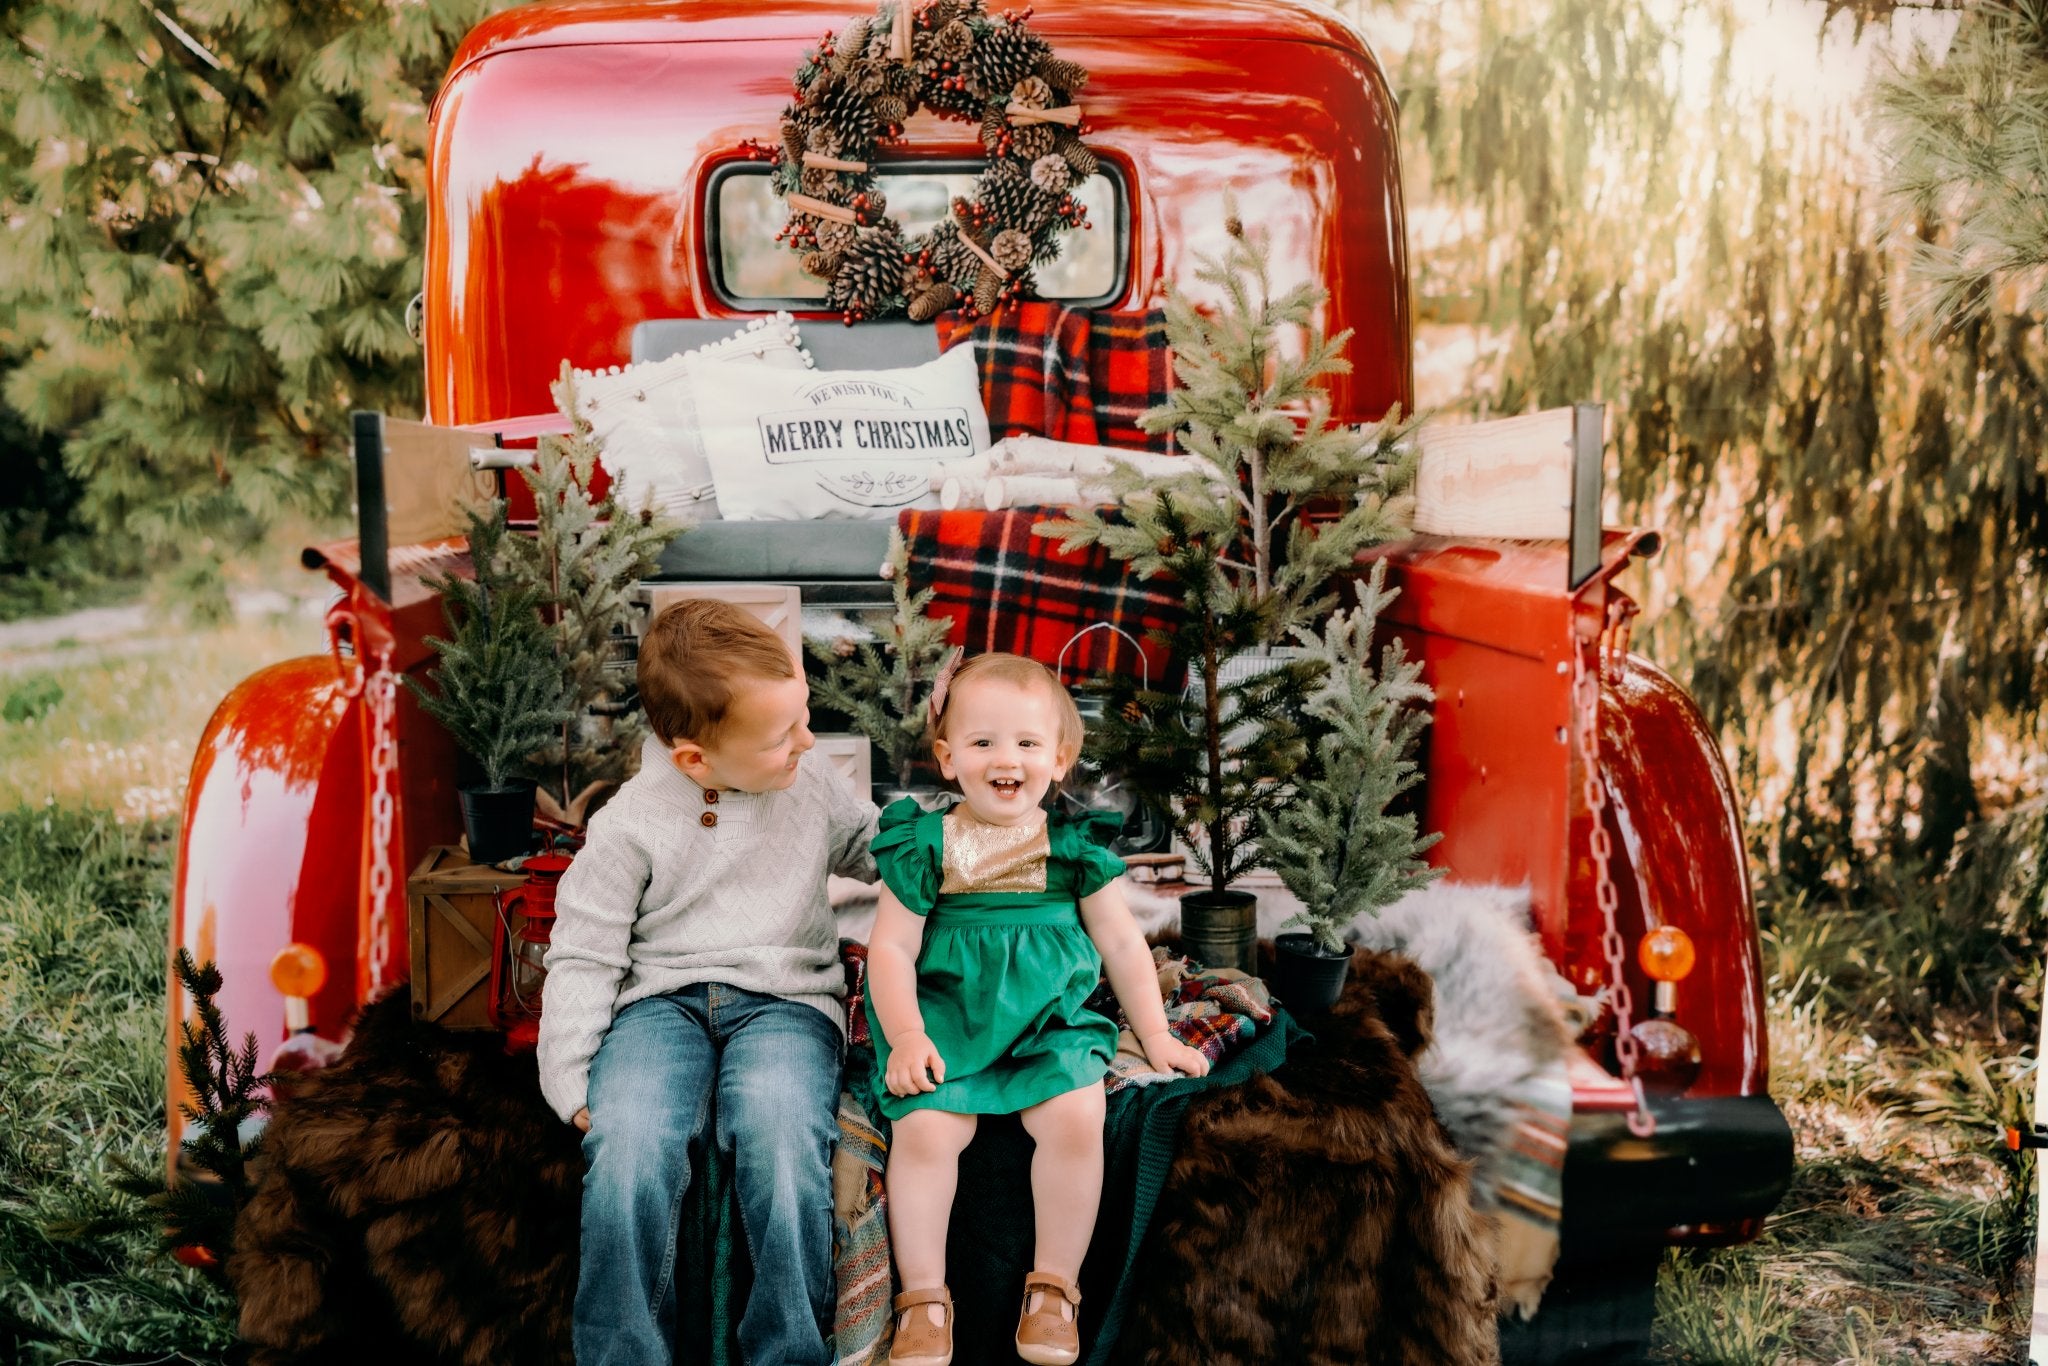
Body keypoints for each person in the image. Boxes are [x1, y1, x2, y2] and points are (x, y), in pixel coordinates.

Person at [537, 598, 878, 1366]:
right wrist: (568, 1073)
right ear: (695, 758)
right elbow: (585, 949)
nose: (807, 742)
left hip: (788, 1003)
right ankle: (625, 1354)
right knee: (629, 1148)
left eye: (804, 717)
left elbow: (875, 846)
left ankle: (787, 1351)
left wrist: (971, 841)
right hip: (661, 1004)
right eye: (782, 735)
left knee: (784, 1137)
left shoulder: (810, 782)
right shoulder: (633, 822)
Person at [864, 651, 1211, 1366]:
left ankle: (1054, 1287)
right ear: (947, 755)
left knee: (1077, 1117)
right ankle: (924, 1299)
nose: (1005, 759)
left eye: (1026, 743)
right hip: (949, 1024)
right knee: (927, 1131)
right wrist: (904, 1036)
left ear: (1058, 759)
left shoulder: (1072, 848)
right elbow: (892, 951)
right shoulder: (924, 845)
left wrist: (1153, 1034)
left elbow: (1120, 939)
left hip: (1049, 1026)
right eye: (983, 741)